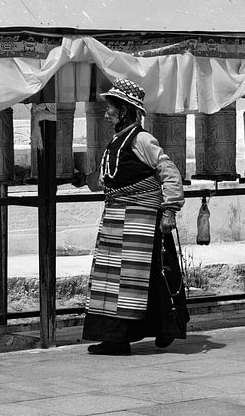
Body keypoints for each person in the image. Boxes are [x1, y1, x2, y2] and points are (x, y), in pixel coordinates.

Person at [83, 78, 189, 356]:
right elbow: (111, 179)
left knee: (146, 276)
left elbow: (169, 173)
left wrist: (169, 210)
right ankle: (117, 338)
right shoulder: (117, 141)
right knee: (116, 279)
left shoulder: (142, 139)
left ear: (125, 111)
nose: (106, 114)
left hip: (141, 219)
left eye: (110, 109)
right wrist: (82, 180)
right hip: (118, 219)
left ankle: (164, 328)